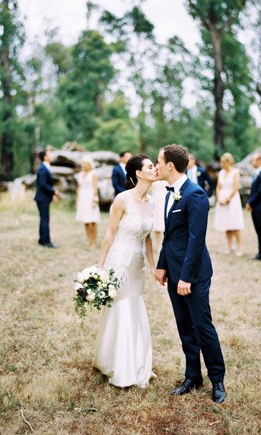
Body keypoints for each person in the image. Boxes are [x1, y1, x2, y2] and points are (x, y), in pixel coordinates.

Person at [154, 144, 226, 404]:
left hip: (192, 274)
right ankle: (192, 376)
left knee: (202, 326)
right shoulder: (168, 194)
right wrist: (162, 265)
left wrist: (186, 277)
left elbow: (196, 240)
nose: (156, 166)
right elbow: (169, 237)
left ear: (170, 165)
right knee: (184, 328)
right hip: (173, 272)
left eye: (159, 161)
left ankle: (217, 380)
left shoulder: (195, 195)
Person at [94, 154, 157, 388]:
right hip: (119, 262)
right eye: (151, 166)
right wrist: (101, 267)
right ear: (139, 173)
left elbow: (148, 237)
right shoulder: (121, 200)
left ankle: (139, 361)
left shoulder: (152, 202)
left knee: (135, 306)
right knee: (121, 308)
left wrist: (152, 265)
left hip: (138, 264)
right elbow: (110, 234)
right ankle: (120, 365)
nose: (155, 169)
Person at [213, 152, 245, 256]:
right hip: (222, 198)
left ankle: (239, 247)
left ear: (229, 162)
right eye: (221, 162)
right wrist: (219, 198)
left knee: (234, 223)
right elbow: (218, 187)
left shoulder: (235, 172)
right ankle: (230, 246)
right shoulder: (221, 173)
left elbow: (236, 187)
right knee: (226, 223)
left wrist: (227, 199)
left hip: (232, 199)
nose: (221, 164)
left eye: (223, 162)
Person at [34, 150, 59, 248]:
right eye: (49, 154)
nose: (51, 155)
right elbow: (43, 185)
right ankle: (46, 242)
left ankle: (42, 240)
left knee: (43, 219)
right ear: (45, 157)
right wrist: (54, 191)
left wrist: (52, 193)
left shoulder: (45, 168)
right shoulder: (43, 169)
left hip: (44, 197)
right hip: (42, 198)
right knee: (45, 219)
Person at [75, 156, 101, 249]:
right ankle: (89, 240)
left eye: (85, 163)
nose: (83, 165)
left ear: (89, 164)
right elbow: (78, 188)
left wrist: (94, 200)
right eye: (82, 163)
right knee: (85, 221)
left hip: (90, 198)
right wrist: (77, 201)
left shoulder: (93, 174)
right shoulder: (80, 174)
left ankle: (93, 241)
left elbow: (95, 188)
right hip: (82, 198)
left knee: (92, 221)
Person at [150, 178, 170, 264]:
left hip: (164, 198)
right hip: (155, 199)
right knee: (157, 222)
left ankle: (164, 244)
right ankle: (158, 244)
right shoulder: (153, 175)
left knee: (164, 222)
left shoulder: (166, 175)